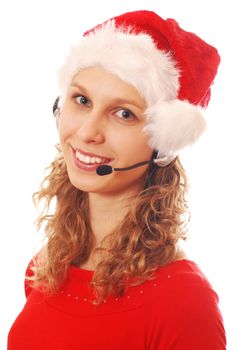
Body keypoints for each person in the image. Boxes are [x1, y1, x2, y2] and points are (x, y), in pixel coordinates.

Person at [8, 10, 226, 350]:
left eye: (123, 113)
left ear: (161, 144)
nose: (87, 131)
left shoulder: (184, 301)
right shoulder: (46, 267)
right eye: (82, 100)